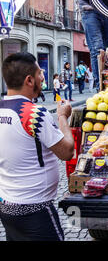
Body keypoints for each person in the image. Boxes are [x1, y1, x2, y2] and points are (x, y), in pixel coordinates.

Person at [0, 52, 74, 241]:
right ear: (29, 80)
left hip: (7, 205)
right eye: (41, 73)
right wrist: (63, 118)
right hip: (35, 209)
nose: (43, 77)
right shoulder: (33, 114)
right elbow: (66, 152)